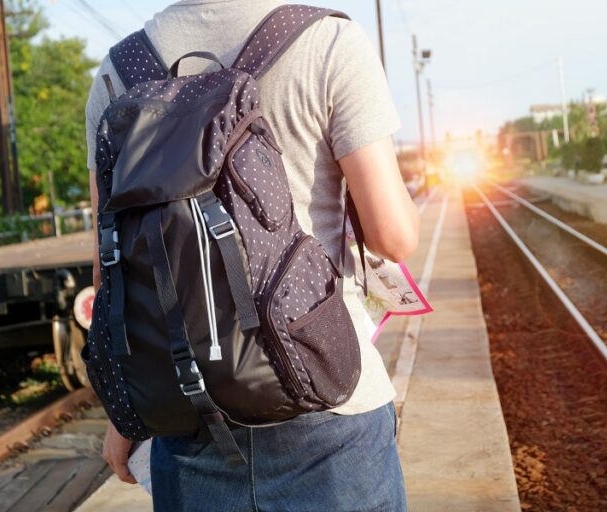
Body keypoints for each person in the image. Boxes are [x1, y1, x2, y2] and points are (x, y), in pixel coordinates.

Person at [85, 2, 419, 510]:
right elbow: (394, 237)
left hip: (188, 410)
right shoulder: (327, 40)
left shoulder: (115, 73)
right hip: (330, 407)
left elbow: (113, 274)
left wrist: (123, 414)